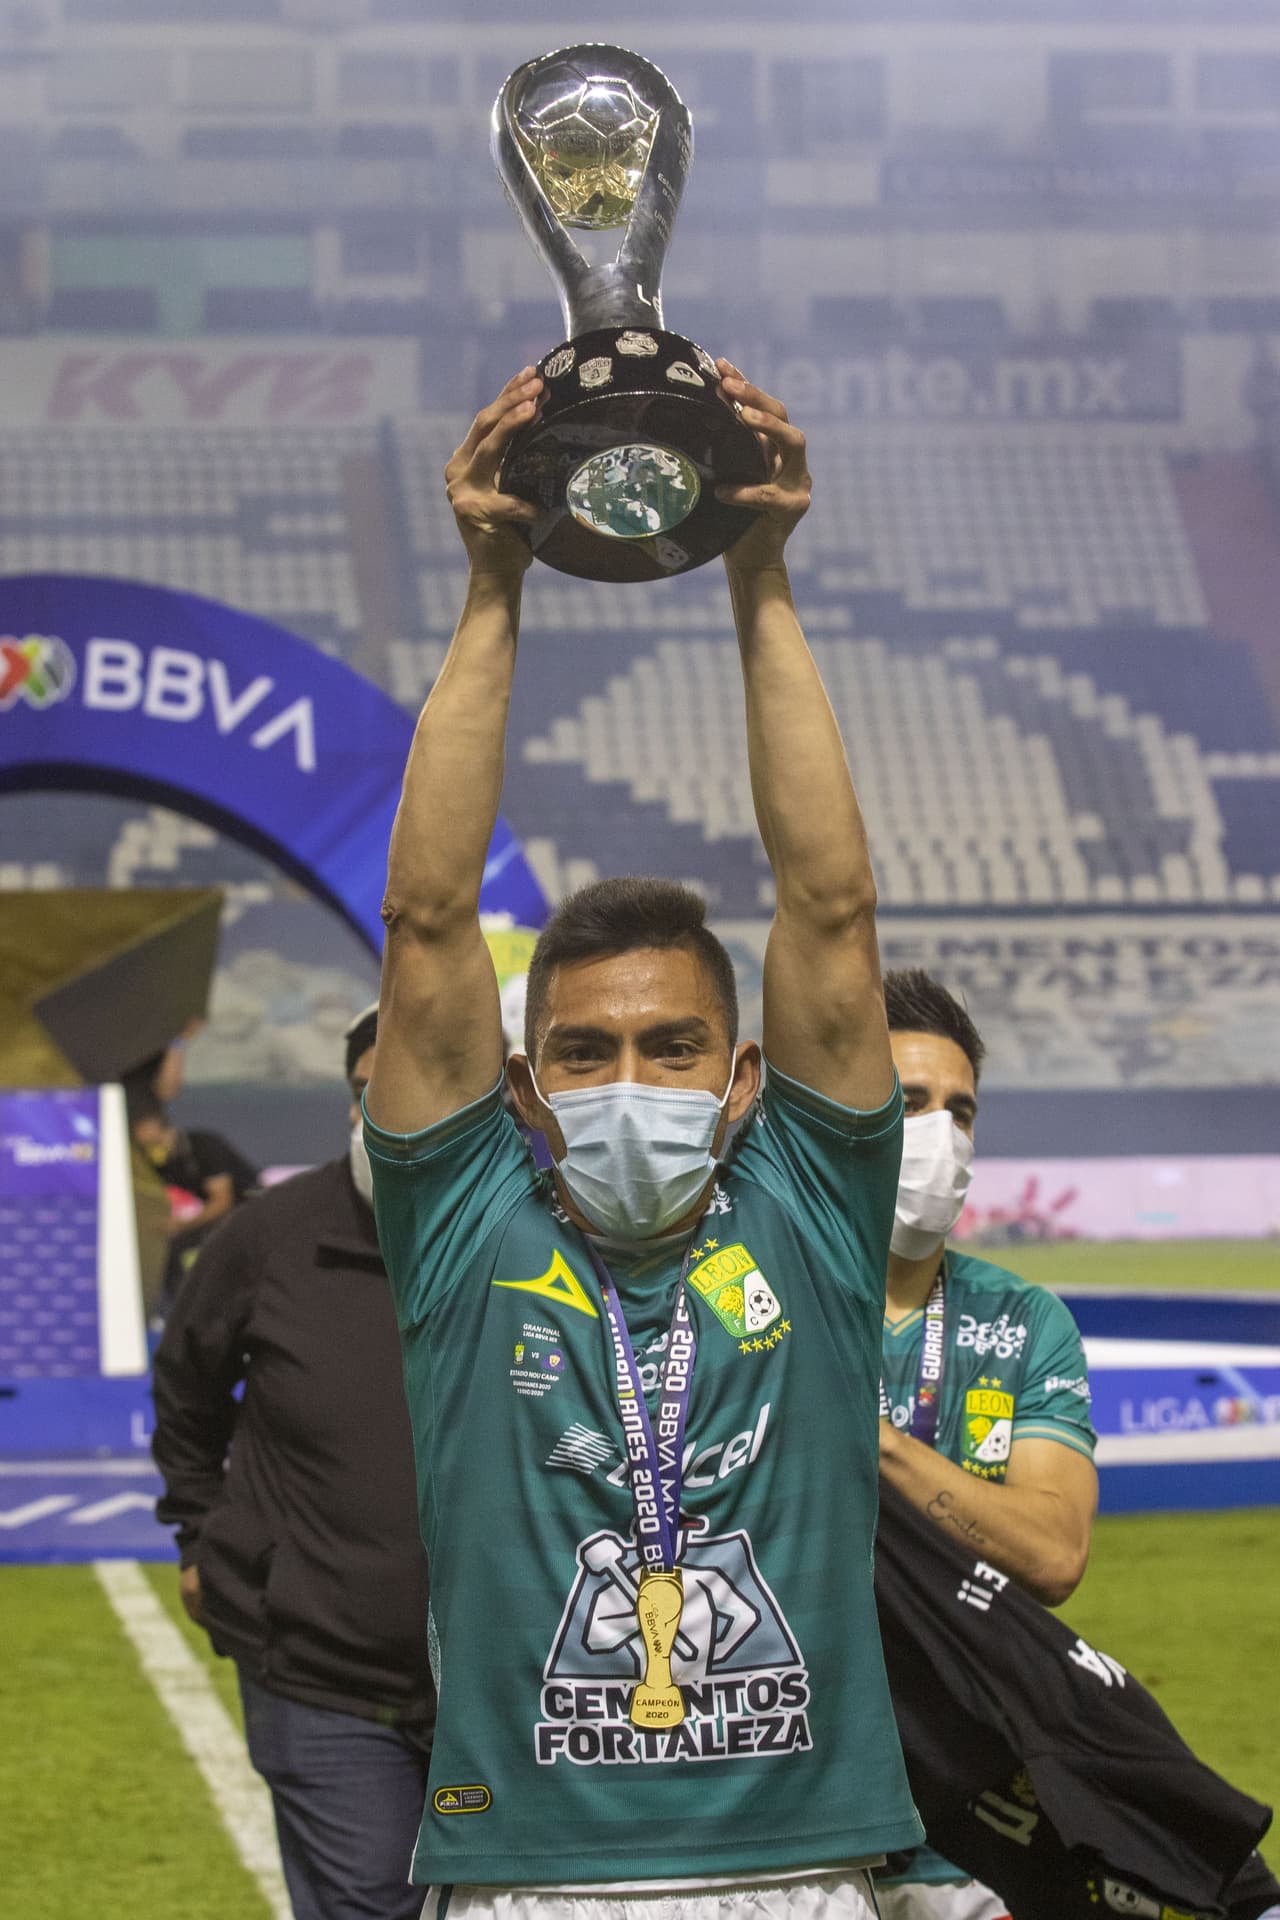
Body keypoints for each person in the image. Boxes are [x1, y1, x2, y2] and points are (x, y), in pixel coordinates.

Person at [364, 364, 923, 1916]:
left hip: (800, 1867)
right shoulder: (468, 1219)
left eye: (671, 1047)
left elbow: (830, 908)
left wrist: (758, 565)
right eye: (586, 1052)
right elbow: (422, 923)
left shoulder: (810, 1203)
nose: (631, 1079)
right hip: (531, 1877)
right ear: (525, 1091)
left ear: (741, 1076)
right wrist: (492, 584)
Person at [152, 1003, 434, 1920]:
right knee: (369, 1906)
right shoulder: (270, 1236)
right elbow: (188, 1391)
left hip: (502, 1684)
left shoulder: (529, 1236)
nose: (388, 1115)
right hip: (316, 1672)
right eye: (367, 1094)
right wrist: (201, 1533)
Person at [874, 968, 1097, 1920]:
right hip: (781, 1828)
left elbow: (1051, 1551)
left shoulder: (1023, 1317)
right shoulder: (739, 1294)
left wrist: (860, 1434)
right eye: (910, 1104)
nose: (942, 1137)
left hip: (966, 1833)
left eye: (961, 1112)